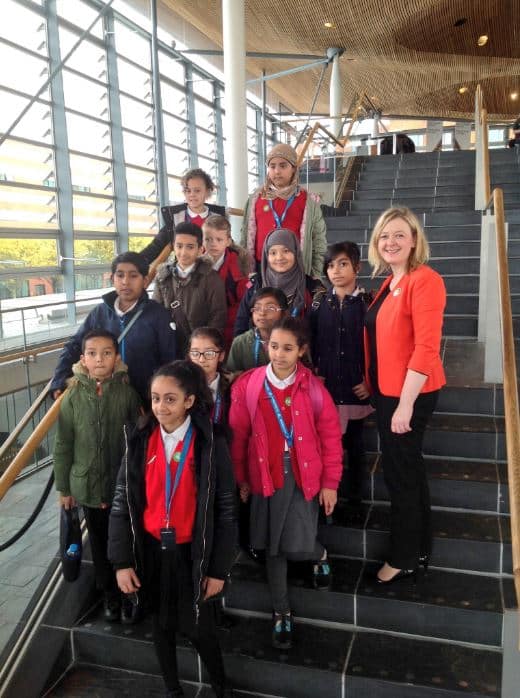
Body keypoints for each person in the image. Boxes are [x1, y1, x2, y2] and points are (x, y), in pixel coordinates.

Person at [108, 361, 237, 698]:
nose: (160, 407)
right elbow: (122, 503)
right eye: (154, 399)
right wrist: (121, 562)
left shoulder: (210, 442)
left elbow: (225, 511)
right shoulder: (139, 439)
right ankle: (172, 690)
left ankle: (220, 687)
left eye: (170, 399)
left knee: (199, 628)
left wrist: (219, 569)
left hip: (191, 552)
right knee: (161, 625)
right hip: (151, 548)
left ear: (189, 401)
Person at [229, 317, 342, 650]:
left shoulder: (314, 389)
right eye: (273, 346)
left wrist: (330, 483)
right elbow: (238, 438)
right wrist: (241, 478)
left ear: (301, 351)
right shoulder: (248, 385)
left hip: (303, 474)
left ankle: (318, 553)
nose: (278, 354)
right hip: (264, 474)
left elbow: (331, 438)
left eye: (287, 348)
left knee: (298, 544)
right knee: (273, 547)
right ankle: (282, 612)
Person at [364, 207, 446, 585]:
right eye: (384, 236)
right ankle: (420, 546)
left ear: (414, 240)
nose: (390, 242)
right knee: (408, 471)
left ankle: (404, 557)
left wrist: (406, 404)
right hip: (388, 391)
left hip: (408, 395)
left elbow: (427, 348)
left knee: (400, 475)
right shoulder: (391, 281)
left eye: (399, 235)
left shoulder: (424, 280)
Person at [53, 329, 141, 622]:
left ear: (117, 358)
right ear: (83, 359)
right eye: (92, 353)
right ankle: (109, 595)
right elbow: (63, 444)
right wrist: (64, 487)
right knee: (101, 546)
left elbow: (137, 441)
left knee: (126, 543)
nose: (99, 359)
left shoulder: (128, 395)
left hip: (121, 487)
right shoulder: (72, 397)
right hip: (88, 488)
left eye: (106, 353)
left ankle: (130, 593)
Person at [50, 252, 176, 403]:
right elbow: (75, 345)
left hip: (145, 402)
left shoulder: (159, 315)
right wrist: (59, 380)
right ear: (112, 279)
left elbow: (170, 361)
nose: (125, 282)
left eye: (133, 276)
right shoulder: (100, 313)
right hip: (105, 400)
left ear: (145, 280)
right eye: (120, 275)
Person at [309, 242, 374, 503]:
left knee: (355, 448)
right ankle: (328, 499)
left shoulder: (367, 304)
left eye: (343, 263)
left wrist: (370, 382)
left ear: (357, 267)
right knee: (326, 446)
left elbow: (378, 347)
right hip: (327, 388)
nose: (336, 270)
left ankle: (356, 499)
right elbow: (312, 342)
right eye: (331, 265)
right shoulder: (319, 304)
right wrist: (315, 372)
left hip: (355, 388)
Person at [240, 143, 327, 280]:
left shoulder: (308, 201)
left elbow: (318, 242)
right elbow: (245, 237)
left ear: (293, 169)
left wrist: (314, 277)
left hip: (296, 270)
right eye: (272, 166)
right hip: (261, 269)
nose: (277, 171)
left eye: (283, 165)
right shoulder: (255, 199)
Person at [153, 222, 227, 356]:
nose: (183, 252)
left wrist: (202, 349)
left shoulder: (211, 278)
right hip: (168, 348)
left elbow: (218, 317)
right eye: (179, 246)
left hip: (200, 352)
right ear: (173, 247)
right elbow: (155, 313)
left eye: (190, 247)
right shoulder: (163, 277)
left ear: (200, 249)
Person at [234, 228, 315, 337]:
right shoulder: (255, 285)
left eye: (286, 251)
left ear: (296, 253)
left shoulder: (311, 287)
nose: (279, 257)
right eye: (273, 252)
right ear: (266, 256)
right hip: (257, 351)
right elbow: (241, 325)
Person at [140, 168, 225, 265]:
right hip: (185, 273)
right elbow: (156, 246)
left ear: (207, 192)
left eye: (197, 190)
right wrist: (133, 262)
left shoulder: (218, 218)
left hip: (215, 272)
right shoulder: (176, 218)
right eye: (188, 191)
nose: (192, 194)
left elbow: (228, 244)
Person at [202, 214, 250, 349]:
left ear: (228, 241)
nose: (213, 244)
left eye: (219, 239)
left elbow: (243, 302)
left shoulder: (239, 266)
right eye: (208, 239)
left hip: (230, 327)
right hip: (203, 326)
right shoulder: (196, 266)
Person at [226, 287, 288, 373]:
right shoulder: (240, 343)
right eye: (257, 308)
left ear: (284, 313)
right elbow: (230, 378)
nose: (262, 313)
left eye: (270, 308)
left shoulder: (294, 341)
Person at [187, 327, 231, 428]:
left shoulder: (232, 387)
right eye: (195, 353)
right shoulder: (182, 386)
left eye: (209, 353)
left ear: (221, 356)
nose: (201, 359)